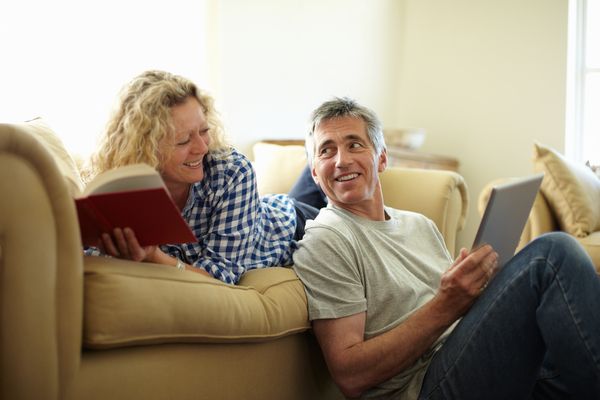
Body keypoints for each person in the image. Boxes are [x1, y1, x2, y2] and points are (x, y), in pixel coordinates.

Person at [292, 97, 600, 399]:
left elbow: (456, 314)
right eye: (326, 151)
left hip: (466, 359)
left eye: (354, 145)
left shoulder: (419, 224)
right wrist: (447, 304)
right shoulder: (326, 239)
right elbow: (351, 375)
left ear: (382, 158)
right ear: (316, 173)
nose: (341, 160)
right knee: (550, 256)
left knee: (566, 338)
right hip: (422, 386)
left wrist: (484, 288)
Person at [87, 70, 320, 284]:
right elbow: (88, 258)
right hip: (262, 211)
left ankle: (323, 154)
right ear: (145, 149)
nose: (201, 147)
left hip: (295, 224)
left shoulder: (231, 171)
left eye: (204, 131)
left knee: (338, 184)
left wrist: (153, 256)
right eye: (183, 140)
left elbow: (220, 278)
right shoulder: (116, 191)